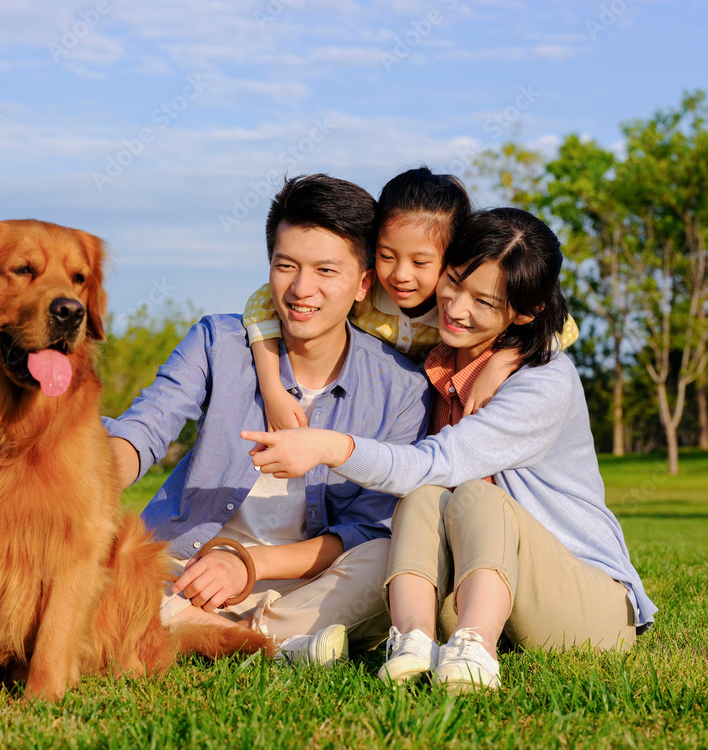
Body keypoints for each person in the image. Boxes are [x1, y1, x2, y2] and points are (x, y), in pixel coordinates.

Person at [241, 207, 656, 690]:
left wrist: (331, 446)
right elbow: (284, 299)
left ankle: (475, 650)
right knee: (424, 498)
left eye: (483, 301)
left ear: (524, 313)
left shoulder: (542, 380)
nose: (456, 308)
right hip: (483, 581)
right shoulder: (436, 354)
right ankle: (411, 643)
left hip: (588, 606)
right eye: (454, 282)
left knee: (471, 493)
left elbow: (436, 461)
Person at [104, 174, 430, 665]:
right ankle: (277, 645)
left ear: (364, 283)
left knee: (391, 558)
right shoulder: (218, 342)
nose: (302, 289)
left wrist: (245, 564)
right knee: (111, 564)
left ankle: (221, 632)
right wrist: (94, 480)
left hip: (304, 579)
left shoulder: (402, 389)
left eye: (326, 270)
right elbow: (146, 427)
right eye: (286, 266)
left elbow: (366, 529)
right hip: (182, 565)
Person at [241, 167, 579, 430]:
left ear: (452, 257)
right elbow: (262, 303)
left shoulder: (458, 312)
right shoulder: (364, 290)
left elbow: (563, 328)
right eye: (387, 255)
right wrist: (272, 390)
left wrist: (502, 361)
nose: (401, 274)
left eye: (420, 262)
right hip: (364, 405)